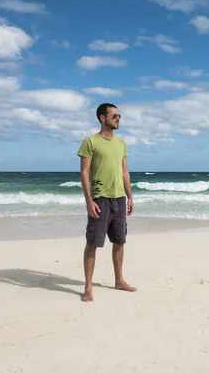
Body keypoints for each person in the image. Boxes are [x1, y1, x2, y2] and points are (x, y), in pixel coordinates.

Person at [77, 102, 137, 302]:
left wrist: (130, 196)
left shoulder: (121, 144)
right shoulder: (90, 141)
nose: (118, 118)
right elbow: (84, 172)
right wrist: (89, 200)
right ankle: (88, 287)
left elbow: (124, 171)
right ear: (103, 118)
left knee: (120, 241)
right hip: (100, 199)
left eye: (119, 115)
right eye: (114, 115)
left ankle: (119, 280)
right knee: (93, 243)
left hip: (119, 198)